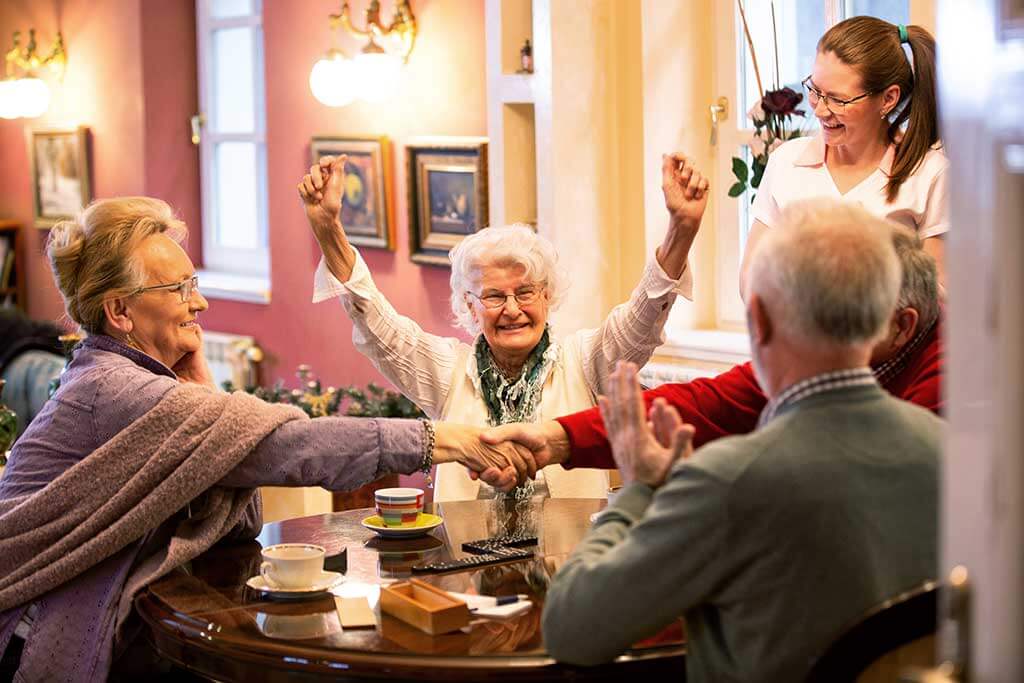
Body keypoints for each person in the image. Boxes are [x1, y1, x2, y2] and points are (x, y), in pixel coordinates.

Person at [0, 197, 532, 681]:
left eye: (194, 283)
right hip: (35, 634)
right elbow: (288, 447)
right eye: (178, 289)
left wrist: (205, 394)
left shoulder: (144, 382)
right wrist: (447, 440)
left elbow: (241, 518)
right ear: (119, 312)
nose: (199, 303)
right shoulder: (113, 388)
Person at [542, 199, 941, 682]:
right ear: (883, 319)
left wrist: (641, 489)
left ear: (759, 319)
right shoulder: (948, 451)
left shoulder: (728, 482)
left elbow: (572, 627)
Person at [298, 153, 709, 502]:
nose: (512, 310)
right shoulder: (448, 371)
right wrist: (328, 229)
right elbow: (378, 326)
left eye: (525, 292)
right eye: (494, 297)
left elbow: (640, 320)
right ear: (470, 306)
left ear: (547, 295)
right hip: (462, 561)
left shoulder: (584, 362)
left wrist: (682, 229)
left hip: (570, 558)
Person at [475, 221, 941, 481]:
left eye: (844, 316)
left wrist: (648, 487)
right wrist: (556, 439)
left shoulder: (949, 384)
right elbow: (707, 404)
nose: (813, 333)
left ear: (902, 326)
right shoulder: (828, 353)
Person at [741, 16, 947, 292]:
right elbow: (750, 281)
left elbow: (936, 297)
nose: (820, 110)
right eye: (815, 90)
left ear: (888, 98)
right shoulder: (786, 162)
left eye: (838, 99)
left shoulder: (930, 174)